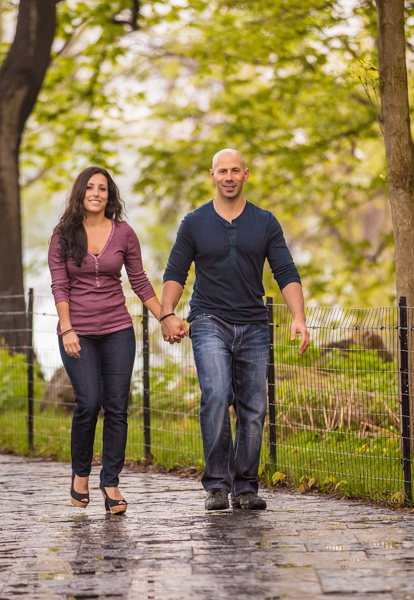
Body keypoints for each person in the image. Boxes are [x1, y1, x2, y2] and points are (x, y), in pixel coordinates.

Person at [160, 149, 310, 511]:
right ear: (212, 175)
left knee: (254, 408)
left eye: (235, 170)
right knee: (216, 394)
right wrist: (167, 313)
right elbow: (175, 273)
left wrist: (299, 318)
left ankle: (245, 488)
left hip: (255, 326)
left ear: (246, 174)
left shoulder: (265, 222)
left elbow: (286, 272)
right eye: (222, 170)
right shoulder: (194, 223)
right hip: (210, 320)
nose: (229, 176)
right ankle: (216, 485)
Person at [49, 166, 163, 514]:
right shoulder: (63, 235)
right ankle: (80, 475)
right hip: (78, 331)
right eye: (90, 187)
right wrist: (67, 328)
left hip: (117, 330)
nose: (96, 193)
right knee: (89, 401)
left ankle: (110, 482)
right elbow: (60, 285)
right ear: (80, 193)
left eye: (103, 188)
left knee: (117, 405)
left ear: (109, 195)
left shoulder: (124, 233)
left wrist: (166, 317)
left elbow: (140, 281)